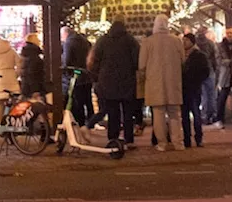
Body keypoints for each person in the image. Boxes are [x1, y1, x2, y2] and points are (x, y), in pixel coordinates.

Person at [89, 21, 139, 148]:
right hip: (127, 82)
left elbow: (95, 60)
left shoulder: (103, 41)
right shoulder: (130, 41)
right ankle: (129, 139)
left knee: (113, 112)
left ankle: (113, 138)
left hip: (107, 82)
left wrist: (97, 76)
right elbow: (137, 61)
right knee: (128, 113)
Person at [139, 16, 184, 150]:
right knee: (174, 114)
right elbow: (182, 60)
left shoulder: (148, 42)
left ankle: (162, 143)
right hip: (173, 82)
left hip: (154, 83)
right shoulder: (177, 41)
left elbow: (142, 65)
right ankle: (178, 143)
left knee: (158, 114)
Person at [181, 33, 211, 148]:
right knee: (184, 116)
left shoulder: (199, 55)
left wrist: (197, 80)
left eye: (186, 40)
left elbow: (205, 71)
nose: (184, 43)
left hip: (194, 88)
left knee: (196, 114)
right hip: (184, 89)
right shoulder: (180, 55)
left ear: (192, 42)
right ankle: (187, 139)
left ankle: (198, 138)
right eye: (183, 40)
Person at [60, 26, 94, 125]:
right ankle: (91, 122)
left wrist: (64, 71)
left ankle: (80, 123)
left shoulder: (69, 43)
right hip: (86, 75)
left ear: (65, 34)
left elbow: (67, 61)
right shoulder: (84, 41)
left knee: (77, 102)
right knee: (88, 101)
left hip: (75, 76)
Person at [197, 29, 220, 126]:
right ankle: (212, 115)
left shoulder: (195, 44)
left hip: (197, 72)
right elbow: (215, 57)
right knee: (211, 94)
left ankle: (203, 115)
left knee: (202, 95)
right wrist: (215, 69)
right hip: (209, 70)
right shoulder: (210, 44)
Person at [19, 33, 48, 99]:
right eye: (38, 39)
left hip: (26, 87)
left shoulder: (26, 53)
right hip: (34, 88)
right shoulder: (34, 55)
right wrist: (35, 90)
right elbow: (32, 73)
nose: (39, 41)